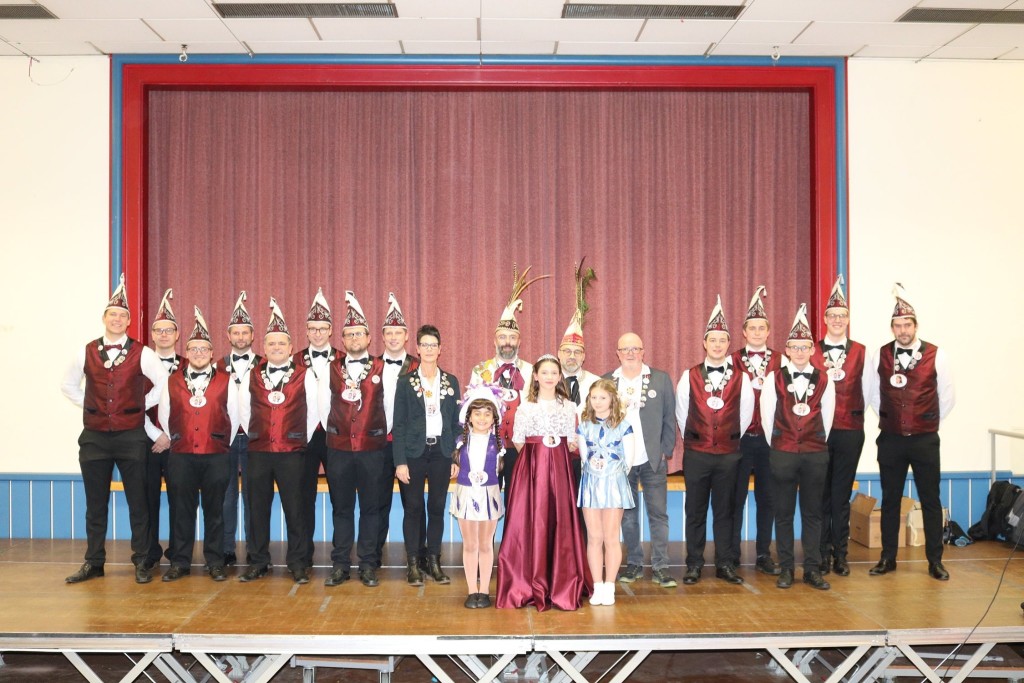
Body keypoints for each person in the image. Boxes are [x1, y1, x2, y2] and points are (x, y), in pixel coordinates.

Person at [61, 274, 166, 584]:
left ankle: (141, 560)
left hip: (131, 436)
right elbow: (67, 385)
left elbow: (163, 383)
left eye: (122, 315)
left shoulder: (142, 353)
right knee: (95, 504)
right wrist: (91, 405)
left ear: (129, 321)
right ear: (104, 318)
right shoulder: (86, 351)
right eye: (112, 314)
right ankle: (94, 562)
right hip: (94, 438)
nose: (117, 319)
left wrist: (139, 404)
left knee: (138, 502)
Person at [867, 283, 955, 581]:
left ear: (916, 326)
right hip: (890, 439)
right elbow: (874, 395)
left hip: (924, 439)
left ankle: (935, 561)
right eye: (897, 325)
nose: (902, 330)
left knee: (930, 499)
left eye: (907, 324)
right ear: (892, 327)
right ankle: (887, 558)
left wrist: (925, 421)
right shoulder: (880, 354)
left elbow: (947, 396)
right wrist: (892, 419)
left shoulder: (936, 355)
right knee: (890, 499)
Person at [496, 356, 591, 611]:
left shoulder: (569, 406)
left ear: (560, 377)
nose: (549, 377)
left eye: (554, 372)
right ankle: (530, 582)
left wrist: (556, 455)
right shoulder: (526, 407)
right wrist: (536, 458)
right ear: (536, 376)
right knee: (534, 519)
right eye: (544, 372)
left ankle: (560, 581)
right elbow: (518, 439)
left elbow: (571, 441)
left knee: (559, 520)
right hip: (533, 469)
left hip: (560, 469)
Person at [675, 296, 754, 585]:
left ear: (728, 344)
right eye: (713, 340)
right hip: (697, 454)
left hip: (729, 455)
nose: (718, 345)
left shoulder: (742, 379)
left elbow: (745, 415)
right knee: (695, 511)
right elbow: (682, 413)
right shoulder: (689, 376)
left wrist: (726, 439)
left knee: (725, 511)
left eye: (722, 340)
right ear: (704, 343)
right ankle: (694, 564)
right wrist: (699, 440)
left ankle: (725, 564)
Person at [239, 299, 319, 583]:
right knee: (257, 509)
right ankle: (258, 560)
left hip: (292, 452)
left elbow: (315, 411)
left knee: (296, 509)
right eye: (271, 343)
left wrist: (297, 439)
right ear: (264, 347)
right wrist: (258, 436)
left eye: (281, 343)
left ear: (290, 346)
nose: (276, 348)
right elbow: (243, 410)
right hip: (259, 452)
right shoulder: (252, 375)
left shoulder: (305, 375)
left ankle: (297, 562)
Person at [157, 306, 238, 582]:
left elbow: (235, 417)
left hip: (216, 456)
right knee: (182, 510)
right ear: (187, 352)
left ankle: (215, 562)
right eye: (194, 349)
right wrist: (181, 439)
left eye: (204, 349)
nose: (199, 353)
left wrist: (218, 443)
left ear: (212, 353)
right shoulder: (172, 381)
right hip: (181, 456)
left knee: (215, 511)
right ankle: (180, 562)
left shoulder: (227, 381)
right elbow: (165, 416)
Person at [760, 304, 835, 590]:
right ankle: (787, 568)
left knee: (813, 513)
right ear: (787, 350)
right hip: (783, 452)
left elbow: (828, 418)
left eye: (805, 347)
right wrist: (780, 444)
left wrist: (814, 442)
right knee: (784, 513)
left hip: (815, 453)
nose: (800, 351)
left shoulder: (825, 379)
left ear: (812, 350)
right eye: (795, 347)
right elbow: (767, 416)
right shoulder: (774, 378)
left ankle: (813, 569)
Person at [322, 291, 388, 588]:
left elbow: (389, 407)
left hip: (372, 450)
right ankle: (340, 564)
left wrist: (373, 433)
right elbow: (323, 405)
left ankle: (368, 564)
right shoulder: (331, 368)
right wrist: (336, 432)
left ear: (369, 337)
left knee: (371, 508)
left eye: (359, 333)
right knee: (342, 508)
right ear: (343, 339)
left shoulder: (382, 368)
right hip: (339, 450)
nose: (354, 338)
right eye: (349, 335)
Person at [470, 265, 548, 505]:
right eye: (502, 337)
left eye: (512, 337)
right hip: (488, 444)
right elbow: (471, 410)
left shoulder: (531, 371)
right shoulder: (480, 370)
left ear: (519, 341)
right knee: (486, 498)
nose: (507, 342)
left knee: (519, 500)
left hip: (520, 446)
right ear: (494, 340)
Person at [811, 276, 872, 577]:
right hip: (819, 434)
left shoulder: (861, 351)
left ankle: (841, 554)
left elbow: (869, 391)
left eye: (842, 315)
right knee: (821, 494)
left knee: (841, 494)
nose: (837, 320)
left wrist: (854, 416)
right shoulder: (811, 351)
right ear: (825, 319)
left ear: (848, 320)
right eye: (832, 315)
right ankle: (822, 553)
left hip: (850, 431)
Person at [607, 333, 678, 588]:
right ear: (617, 353)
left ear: (643, 351)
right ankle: (634, 563)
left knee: (658, 514)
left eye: (635, 348)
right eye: (625, 349)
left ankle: (661, 566)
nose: (630, 353)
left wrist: (665, 450)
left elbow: (670, 416)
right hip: (620, 461)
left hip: (652, 460)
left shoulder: (660, 378)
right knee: (628, 516)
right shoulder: (607, 382)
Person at [393, 324, 460, 587]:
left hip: (441, 452)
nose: (429, 349)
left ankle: (434, 561)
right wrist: (400, 461)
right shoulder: (405, 382)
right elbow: (398, 425)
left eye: (434, 345)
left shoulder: (451, 381)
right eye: (425, 345)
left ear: (440, 349)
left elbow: (456, 424)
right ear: (418, 349)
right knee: (413, 508)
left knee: (436, 507)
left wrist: (454, 456)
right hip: (413, 453)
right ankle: (413, 563)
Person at [728, 285, 781, 576]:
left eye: (762, 327)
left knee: (767, 498)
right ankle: (732, 553)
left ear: (768, 331)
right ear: (744, 332)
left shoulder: (781, 360)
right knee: (735, 497)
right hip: (740, 441)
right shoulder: (732, 360)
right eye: (752, 328)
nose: (757, 332)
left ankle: (763, 553)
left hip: (769, 441)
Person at [577, 379, 635, 606]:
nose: (598, 402)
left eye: (603, 397)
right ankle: (597, 585)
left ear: (612, 399)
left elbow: (628, 462)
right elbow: (584, 459)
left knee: (611, 537)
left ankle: (610, 586)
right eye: (594, 397)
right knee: (594, 537)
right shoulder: (583, 426)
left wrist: (610, 474)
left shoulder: (624, 426)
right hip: (591, 485)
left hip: (613, 485)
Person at [294, 287, 339, 569]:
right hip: (304, 436)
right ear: (307, 331)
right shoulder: (295, 360)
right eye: (313, 328)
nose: (318, 333)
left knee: (340, 499)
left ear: (331, 330)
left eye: (323, 328)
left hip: (336, 437)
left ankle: (340, 556)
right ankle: (303, 556)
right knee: (303, 498)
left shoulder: (344, 359)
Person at [450, 385, 506, 609]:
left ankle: (484, 591)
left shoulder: (499, 444)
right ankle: (472, 589)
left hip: (489, 496)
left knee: (485, 544)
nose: (482, 418)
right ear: (469, 417)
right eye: (477, 413)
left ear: (494, 418)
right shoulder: (459, 442)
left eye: (487, 414)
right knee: (470, 544)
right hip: (466, 495)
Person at [377, 293, 420, 569]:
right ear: (382, 337)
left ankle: (417, 557)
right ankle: (374, 557)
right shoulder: (371, 366)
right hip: (378, 445)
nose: (393, 337)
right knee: (378, 502)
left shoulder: (419, 366)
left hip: (410, 446)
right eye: (389, 333)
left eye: (398, 333)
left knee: (413, 504)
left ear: (406, 336)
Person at [142, 288, 182, 570]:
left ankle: (178, 552)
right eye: (159, 330)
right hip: (147, 441)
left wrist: (170, 436)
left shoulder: (190, 364)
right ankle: (149, 551)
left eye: (169, 330)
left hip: (179, 443)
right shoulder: (139, 365)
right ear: (152, 335)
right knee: (147, 499)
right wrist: (156, 435)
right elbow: (133, 405)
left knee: (180, 499)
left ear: (177, 335)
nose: (164, 335)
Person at [222, 291, 260, 566]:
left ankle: (254, 549)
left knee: (253, 496)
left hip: (255, 439)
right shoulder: (216, 366)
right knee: (226, 497)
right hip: (225, 439)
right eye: (236, 332)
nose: (240, 337)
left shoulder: (266, 365)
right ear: (229, 336)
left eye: (245, 332)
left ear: (252, 335)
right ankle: (226, 549)